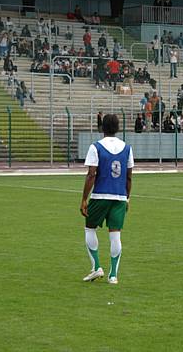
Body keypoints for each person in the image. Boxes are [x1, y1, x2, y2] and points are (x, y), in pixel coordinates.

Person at [80, 114, 134, 284]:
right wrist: (127, 198)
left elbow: (91, 175)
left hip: (100, 195)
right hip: (119, 197)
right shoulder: (127, 148)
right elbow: (129, 177)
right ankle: (113, 276)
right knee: (115, 235)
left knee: (90, 229)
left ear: (102, 127)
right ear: (118, 128)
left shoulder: (96, 147)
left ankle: (96, 267)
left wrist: (84, 199)